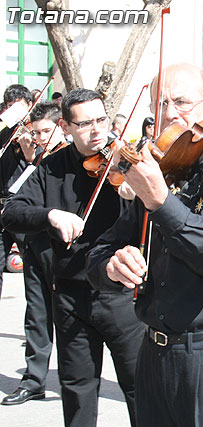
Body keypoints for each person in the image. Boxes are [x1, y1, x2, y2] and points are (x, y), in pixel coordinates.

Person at [85, 63, 203, 427]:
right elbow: (99, 252)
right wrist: (111, 264)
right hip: (156, 351)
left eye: (182, 102)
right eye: (160, 104)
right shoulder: (159, 167)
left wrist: (160, 200)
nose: (170, 113)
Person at [2, 88, 145, 427]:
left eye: (101, 120)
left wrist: (140, 194)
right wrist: (50, 215)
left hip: (122, 294)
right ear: (66, 127)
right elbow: (12, 211)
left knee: (141, 387)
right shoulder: (52, 167)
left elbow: (164, 213)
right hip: (70, 295)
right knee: (77, 388)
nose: (96, 130)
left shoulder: (126, 162)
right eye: (84, 124)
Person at [2, 102, 63, 406]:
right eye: (36, 132)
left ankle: (76, 377)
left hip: (67, 250)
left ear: (61, 127)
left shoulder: (71, 159)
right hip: (37, 245)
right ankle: (34, 380)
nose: (39, 138)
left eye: (45, 131)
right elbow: (15, 195)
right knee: (36, 314)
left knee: (70, 318)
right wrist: (29, 160)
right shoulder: (34, 158)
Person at [0, 84, 33, 300]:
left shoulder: (31, 130)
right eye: (9, 107)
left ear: (29, 106)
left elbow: (34, 161)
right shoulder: (3, 131)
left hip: (20, 203)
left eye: (18, 107)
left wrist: (29, 149)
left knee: (32, 266)